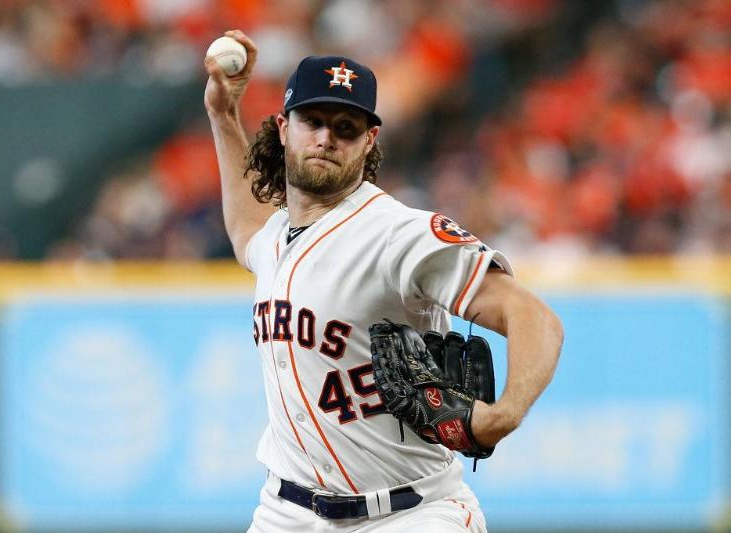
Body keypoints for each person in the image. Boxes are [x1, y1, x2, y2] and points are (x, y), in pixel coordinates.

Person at [204, 29, 563, 533]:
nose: (327, 138)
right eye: (313, 121)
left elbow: (534, 317)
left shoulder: (400, 233)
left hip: (409, 513)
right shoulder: (277, 235)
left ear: (369, 140)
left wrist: (503, 414)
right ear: (284, 128)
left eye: (346, 127)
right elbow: (247, 230)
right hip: (285, 513)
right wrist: (222, 115)